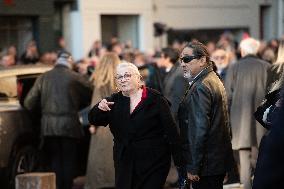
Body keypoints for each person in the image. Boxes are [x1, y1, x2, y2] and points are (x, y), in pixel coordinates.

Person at [88, 62, 182, 189]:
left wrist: (180, 162)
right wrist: (99, 108)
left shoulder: (154, 98)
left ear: (138, 78)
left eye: (127, 75)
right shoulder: (113, 101)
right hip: (125, 161)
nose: (123, 79)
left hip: (154, 161)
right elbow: (94, 119)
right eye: (119, 77)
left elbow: (171, 130)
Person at [24, 52, 93, 189]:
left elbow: (28, 103)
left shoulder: (43, 78)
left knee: (55, 160)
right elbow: (92, 94)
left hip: (49, 126)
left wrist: (41, 113)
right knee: (68, 161)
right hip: (69, 125)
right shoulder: (75, 77)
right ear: (69, 63)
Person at [178, 41, 233, 189]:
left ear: (202, 60)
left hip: (206, 166)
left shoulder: (202, 85)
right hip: (213, 163)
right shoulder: (211, 79)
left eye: (187, 59)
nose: (182, 64)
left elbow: (199, 130)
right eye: (181, 59)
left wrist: (194, 166)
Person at [225, 38, 271, 189]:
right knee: (261, 155)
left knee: (244, 158)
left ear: (243, 51)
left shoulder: (234, 67)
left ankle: (246, 185)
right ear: (257, 50)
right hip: (262, 120)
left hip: (240, 121)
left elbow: (228, 97)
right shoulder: (268, 67)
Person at [85, 52, 121, 189]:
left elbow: (96, 106)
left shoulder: (100, 84)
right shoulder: (122, 82)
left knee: (100, 162)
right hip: (119, 126)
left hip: (103, 128)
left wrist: (92, 125)